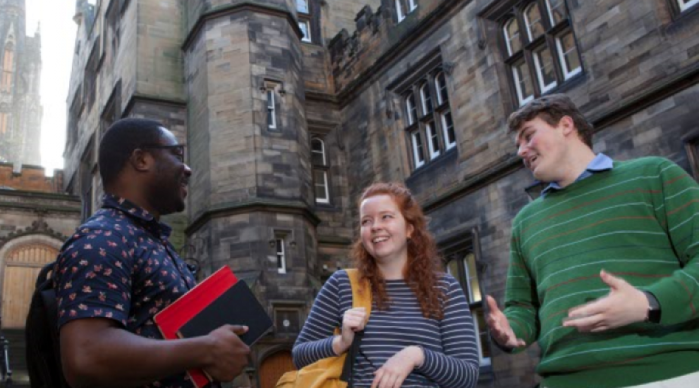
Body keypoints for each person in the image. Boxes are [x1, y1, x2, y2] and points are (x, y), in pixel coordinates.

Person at [486, 94, 699, 388]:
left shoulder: (654, 175)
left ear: (565, 125)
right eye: (517, 145)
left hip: (670, 373)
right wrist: (510, 330)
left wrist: (648, 302)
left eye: (528, 136)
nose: (521, 151)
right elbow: (522, 307)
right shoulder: (525, 221)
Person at [53, 118, 250, 388]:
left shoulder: (149, 239)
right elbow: (86, 356)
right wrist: (207, 349)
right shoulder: (102, 237)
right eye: (177, 154)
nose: (188, 169)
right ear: (141, 159)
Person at [293, 182, 480, 388]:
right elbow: (299, 356)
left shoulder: (444, 288)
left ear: (409, 228)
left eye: (386, 217)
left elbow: (468, 375)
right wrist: (342, 342)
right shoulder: (342, 284)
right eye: (366, 221)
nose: (375, 227)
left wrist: (415, 356)